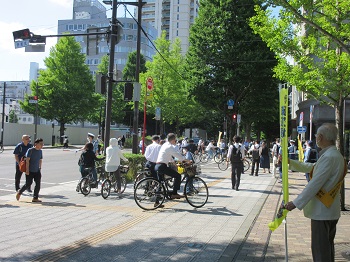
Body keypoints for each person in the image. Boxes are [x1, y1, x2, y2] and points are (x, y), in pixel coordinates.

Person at [285, 123, 345, 262]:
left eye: (317, 135)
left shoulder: (329, 157)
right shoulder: (335, 155)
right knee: (327, 248)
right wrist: (291, 162)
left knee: (320, 251)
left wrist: (295, 203)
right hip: (330, 210)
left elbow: (314, 184)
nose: (316, 138)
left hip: (322, 212)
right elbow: (313, 168)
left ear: (321, 137)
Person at [155, 133, 186, 200]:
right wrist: (186, 160)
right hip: (162, 166)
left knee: (160, 183)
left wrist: (174, 163)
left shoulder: (165, 144)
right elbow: (177, 155)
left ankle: (157, 202)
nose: (176, 141)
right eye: (175, 140)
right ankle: (174, 193)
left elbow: (169, 157)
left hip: (157, 165)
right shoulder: (169, 146)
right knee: (178, 176)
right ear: (173, 140)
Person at [16, 138, 44, 202]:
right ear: (36, 144)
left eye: (42, 144)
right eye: (40, 144)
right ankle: (20, 192)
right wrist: (27, 170)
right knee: (28, 183)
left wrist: (40, 168)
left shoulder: (40, 151)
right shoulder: (30, 150)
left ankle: (35, 198)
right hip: (30, 170)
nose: (42, 145)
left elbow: (40, 160)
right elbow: (27, 160)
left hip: (37, 170)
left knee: (38, 184)